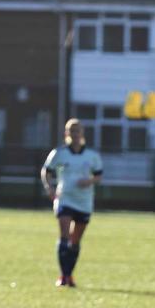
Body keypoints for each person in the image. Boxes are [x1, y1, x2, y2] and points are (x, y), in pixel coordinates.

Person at [40, 118, 103, 288]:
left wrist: (89, 181)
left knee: (75, 241)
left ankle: (70, 274)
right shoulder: (59, 153)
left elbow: (98, 175)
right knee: (64, 235)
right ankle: (64, 276)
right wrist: (49, 189)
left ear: (82, 133)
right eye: (72, 130)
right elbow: (47, 171)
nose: (75, 134)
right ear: (66, 133)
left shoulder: (92, 155)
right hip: (65, 198)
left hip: (84, 201)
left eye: (78, 131)